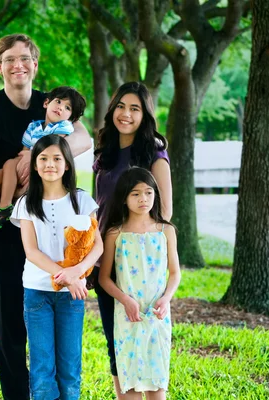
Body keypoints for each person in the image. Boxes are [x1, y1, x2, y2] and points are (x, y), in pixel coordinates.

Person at [0, 33, 92, 399]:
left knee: (51, 320)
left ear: (35, 65)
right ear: (0, 66)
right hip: (6, 226)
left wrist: (38, 155)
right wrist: (14, 182)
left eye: (25, 58)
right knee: (9, 324)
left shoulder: (51, 104)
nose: (17, 65)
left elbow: (84, 138)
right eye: (9, 59)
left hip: (49, 227)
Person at [91, 82, 173, 397]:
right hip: (106, 258)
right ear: (113, 109)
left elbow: (165, 209)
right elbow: (100, 205)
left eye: (135, 108)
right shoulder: (106, 150)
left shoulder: (153, 151)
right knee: (118, 341)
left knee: (149, 338)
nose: (126, 114)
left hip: (140, 261)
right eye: (121, 106)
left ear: (144, 115)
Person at [10, 135, 103, 400]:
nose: (50, 164)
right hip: (37, 293)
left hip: (72, 296)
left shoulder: (82, 201)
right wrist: (64, 275)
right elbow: (31, 251)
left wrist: (76, 274)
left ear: (67, 165)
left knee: (70, 369)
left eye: (56, 159)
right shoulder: (25, 204)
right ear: (35, 166)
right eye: (43, 159)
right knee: (42, 369)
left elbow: (97, 246)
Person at [98, 167, 181, 399]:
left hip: (157, 316)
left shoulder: (166, 231)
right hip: (127, 317)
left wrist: (166, 299)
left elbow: (175, 273)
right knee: (131, 386)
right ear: (124, 198)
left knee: (157, 388)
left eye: (148, 192)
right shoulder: (115, 233)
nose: (143, 199)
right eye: (135, 194)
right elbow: (104, 278)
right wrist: (125, 300)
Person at [0, 86, 87, 241]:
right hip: (26, 164)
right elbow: (24, 149)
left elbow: (52, 146)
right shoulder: (34, 127)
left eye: (67, 108)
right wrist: (21, 162)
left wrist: (30, 156)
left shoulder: (63, 126)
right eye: (58, 101)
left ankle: (5, 205)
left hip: (41, 170)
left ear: (71, 117)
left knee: (9, 164)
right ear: (46, 103)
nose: (60, 107)